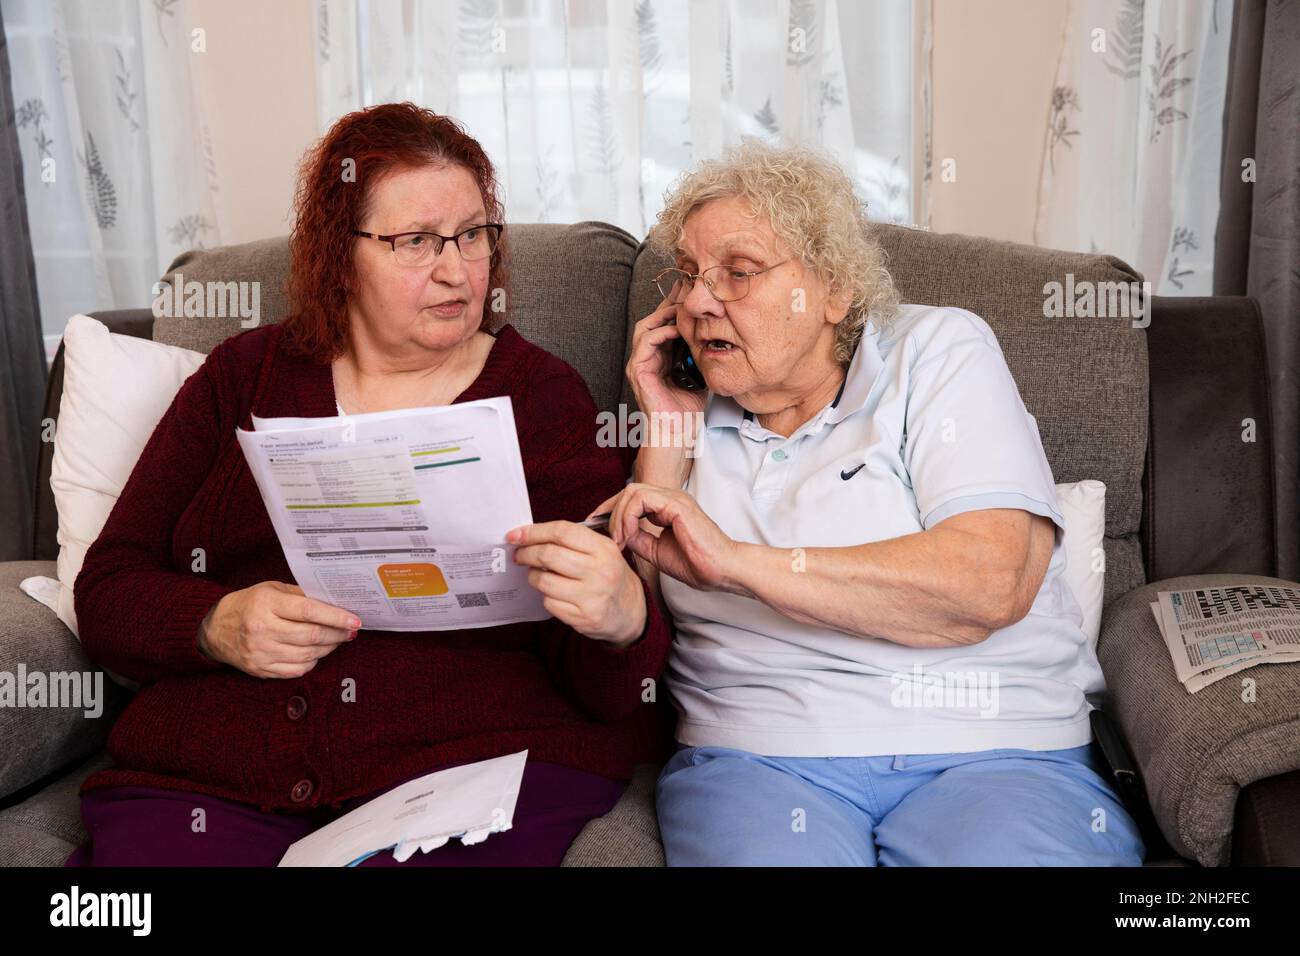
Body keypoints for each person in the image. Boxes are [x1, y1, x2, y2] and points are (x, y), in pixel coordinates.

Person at [68, 102, 672, 867]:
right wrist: (214, 621)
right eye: (416, 241)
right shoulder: (240, 377)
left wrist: (621, 619)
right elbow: (108, 588)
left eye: (475, 235)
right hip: (219, 775)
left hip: (463, 770)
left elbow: (606, 688)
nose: (457, 270)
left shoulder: (542, 398)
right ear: (339, 254)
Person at [597, 139, 1145, 866]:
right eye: (689, 276)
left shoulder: (937, 350)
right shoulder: (690, 409)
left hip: (994, 750)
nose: (698, 301)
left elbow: (990, 580)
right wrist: (665, 429)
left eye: (738, 273)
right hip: (759, 759)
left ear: (833, 290)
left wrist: (736, 563)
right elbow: (633, 639)